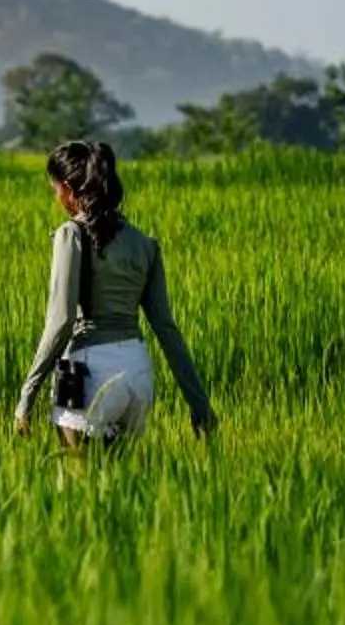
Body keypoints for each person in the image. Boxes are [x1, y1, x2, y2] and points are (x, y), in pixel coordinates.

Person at [13, 140, 215, 447]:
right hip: (137, 370)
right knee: (124, 487)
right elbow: (165, 328)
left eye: (55, 190)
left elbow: (62, 321)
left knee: (75, 480)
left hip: (78, 367)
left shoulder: (70, 234)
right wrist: (200, 405)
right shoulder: (145, 244)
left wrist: (27, 396)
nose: (56, 198)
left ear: (67, 189)